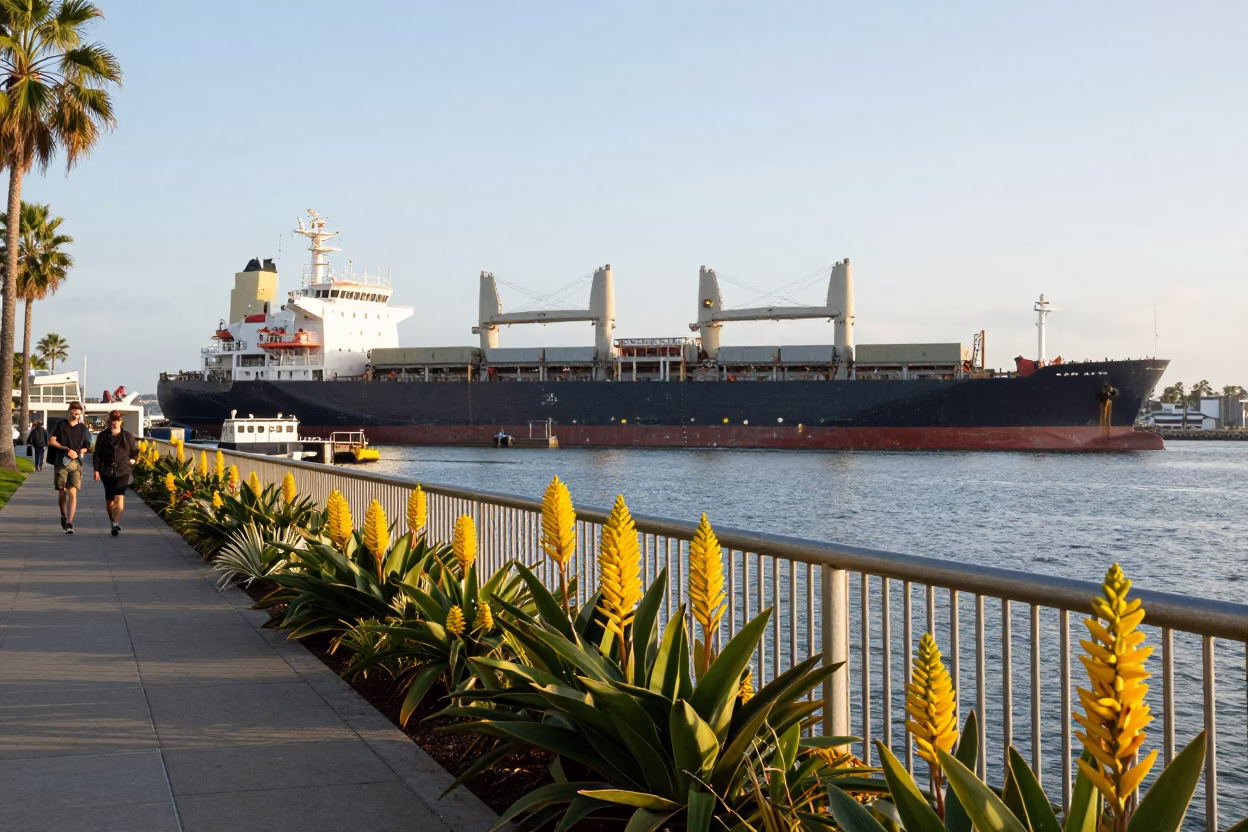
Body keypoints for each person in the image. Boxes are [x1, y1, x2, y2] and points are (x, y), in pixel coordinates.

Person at [48, 402, 93, 534]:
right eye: (73, 410)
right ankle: (63, 515)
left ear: (80, 413)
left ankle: (70, 522)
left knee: (73, 492)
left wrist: (78, 452)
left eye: (78, 410)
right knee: (62, 492)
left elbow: (87, 447)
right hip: (60, 462)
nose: (75, 412)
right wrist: (66, 449)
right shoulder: (61, 424)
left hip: (76, 464)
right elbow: (52, 441)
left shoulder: (83, 428)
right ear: (69, 411)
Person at [93, 410, 139, 537]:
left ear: (120, 421)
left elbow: (135, 451)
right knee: (110, 500)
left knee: (119, 496)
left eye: (117, 420)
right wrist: (96, 470)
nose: (114, 423)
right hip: (107, 471)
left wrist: (133, 460)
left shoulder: (127, 436)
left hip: (124, 470)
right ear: (109, 421)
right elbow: (97, 454)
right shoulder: (102, 436)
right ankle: (113, 521)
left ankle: (115, 523)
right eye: (112, 420)